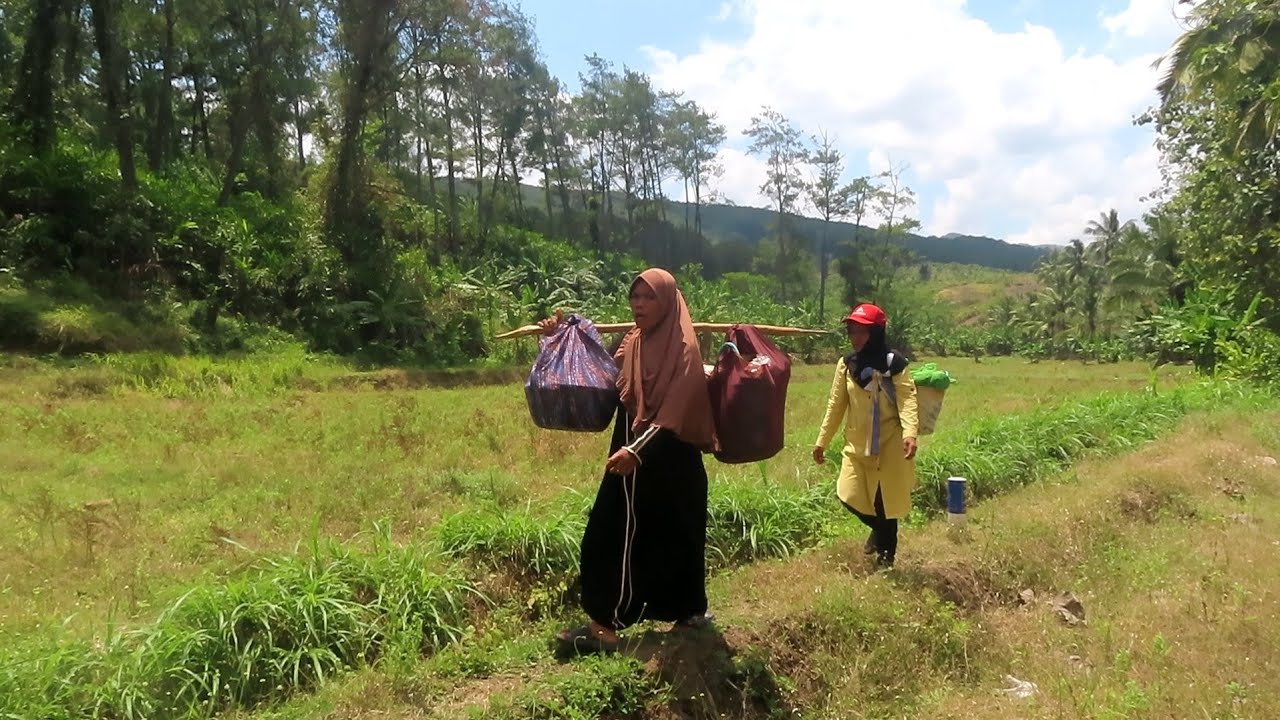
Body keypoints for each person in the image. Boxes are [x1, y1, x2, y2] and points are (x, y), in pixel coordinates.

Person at [539, 268, 717, 654]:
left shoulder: (685, 349)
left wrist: (637, 450)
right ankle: (654, 614)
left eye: (648, 297)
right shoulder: (633, 342)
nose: (638, 304)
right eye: (634, 297)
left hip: (661, 455)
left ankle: (620, 621)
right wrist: (560, 338)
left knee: (635, 532)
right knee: (636, 531)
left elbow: (674, 411)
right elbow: (598, 368)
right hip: (632, 452)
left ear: (667, 301)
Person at [811, 303, 919, 568]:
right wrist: (822, 441)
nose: (855, 338)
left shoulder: (894, 364)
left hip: (889, 444)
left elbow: (907, 400)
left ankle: (886, 562)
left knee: (885, 504)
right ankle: (881, 533)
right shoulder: (846, 365)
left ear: (876, 333)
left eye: (862, 332)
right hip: (857, 446)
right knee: (847, 494)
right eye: (852, 331)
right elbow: (836, 405)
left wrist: (910, 433)